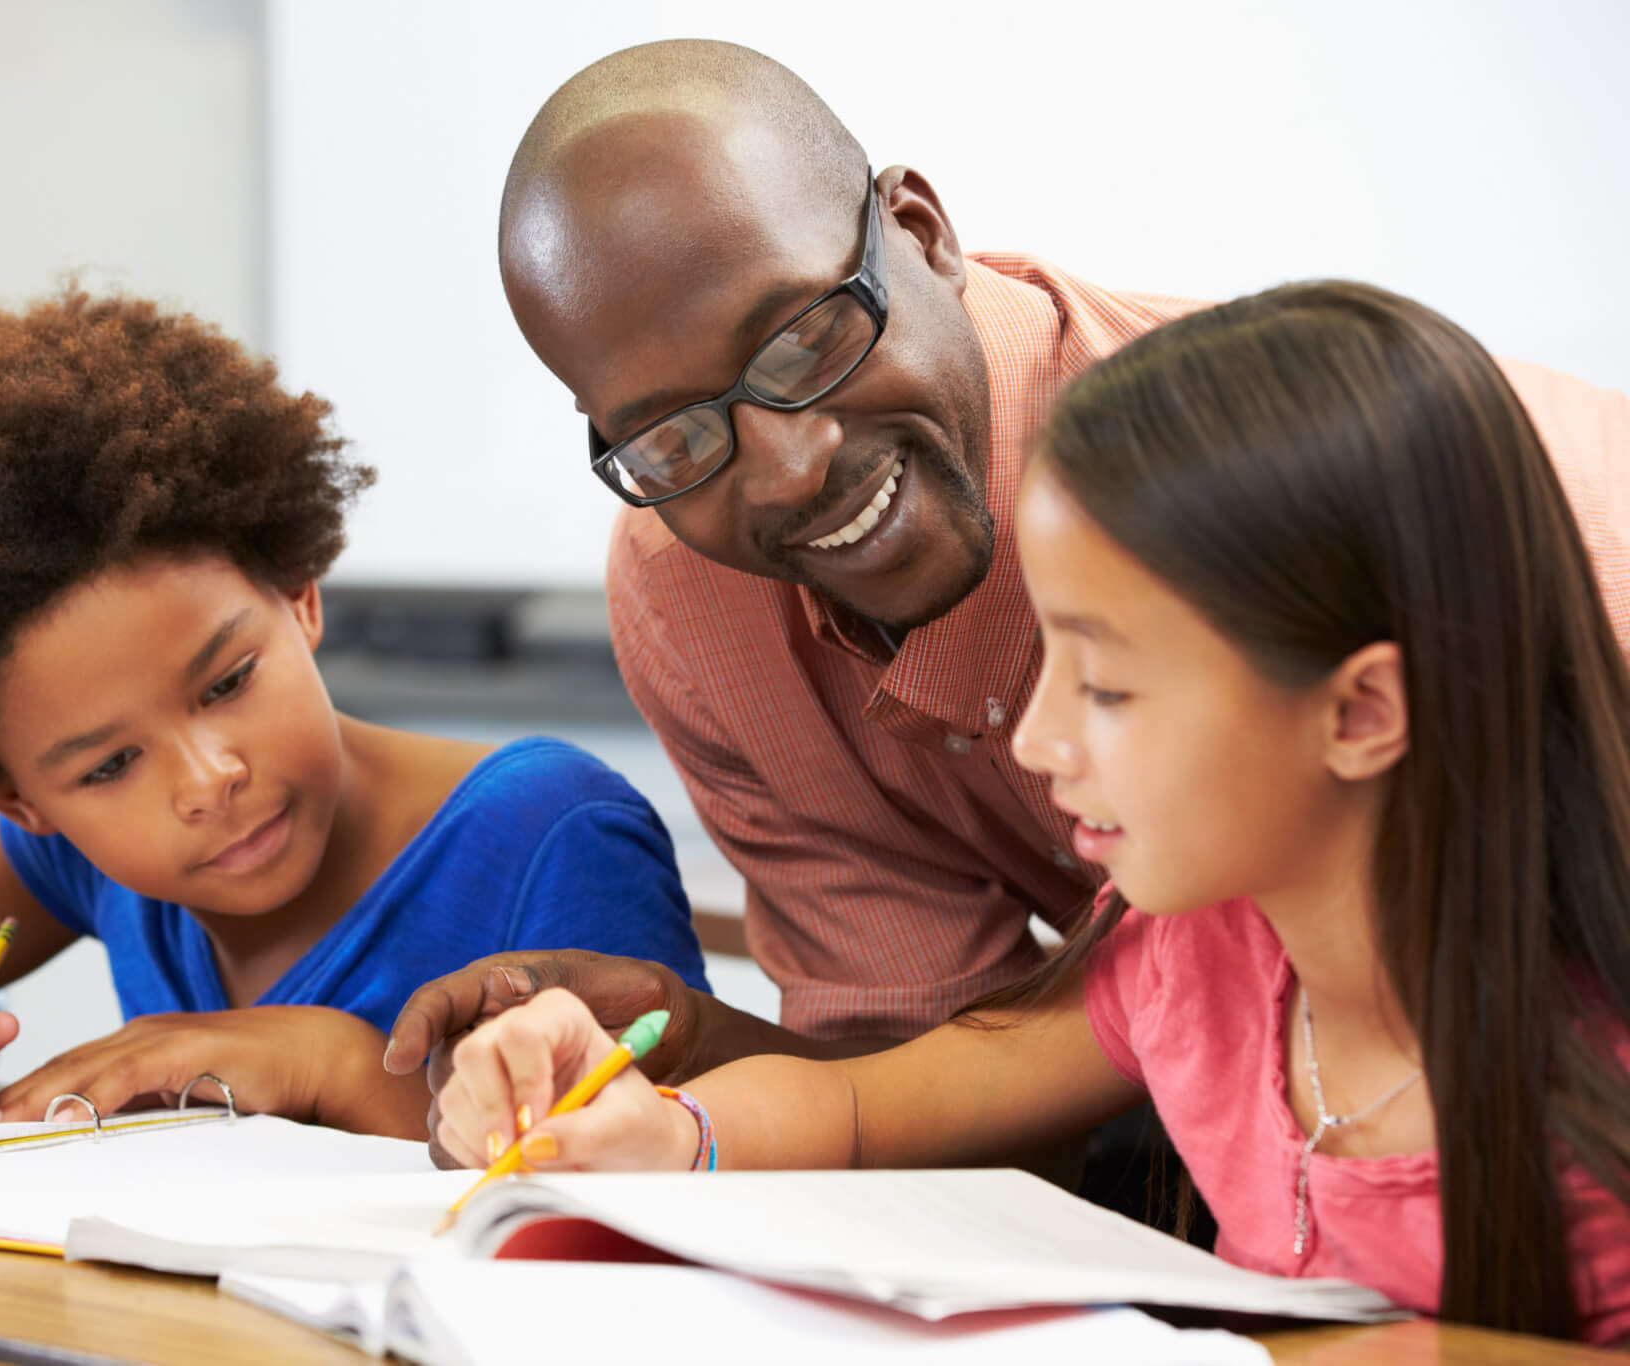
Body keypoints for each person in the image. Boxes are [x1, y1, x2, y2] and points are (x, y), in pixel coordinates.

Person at [384, 39, 1630, 1097]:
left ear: (920, 235)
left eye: (806, 336)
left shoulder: (1389, 502)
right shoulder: (691, 593)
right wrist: (695, 1045)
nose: (785, 467)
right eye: (669, 434)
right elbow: (937, 1074)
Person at [428, 281, 1630, 1344]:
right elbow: (866, 1102)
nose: (1039, 739)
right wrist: (666, 1133)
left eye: (1105, 684)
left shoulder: (1592, 1063)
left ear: (1361, 710)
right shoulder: (1199, 959)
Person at [0, 288, 707, 1140]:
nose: (206, 780)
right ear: (19, 795)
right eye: (106, 766)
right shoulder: (71, 856)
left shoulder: (545, 831)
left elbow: (658, 1157)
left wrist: (325, 1066)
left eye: (227, 681)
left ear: (298, 592)